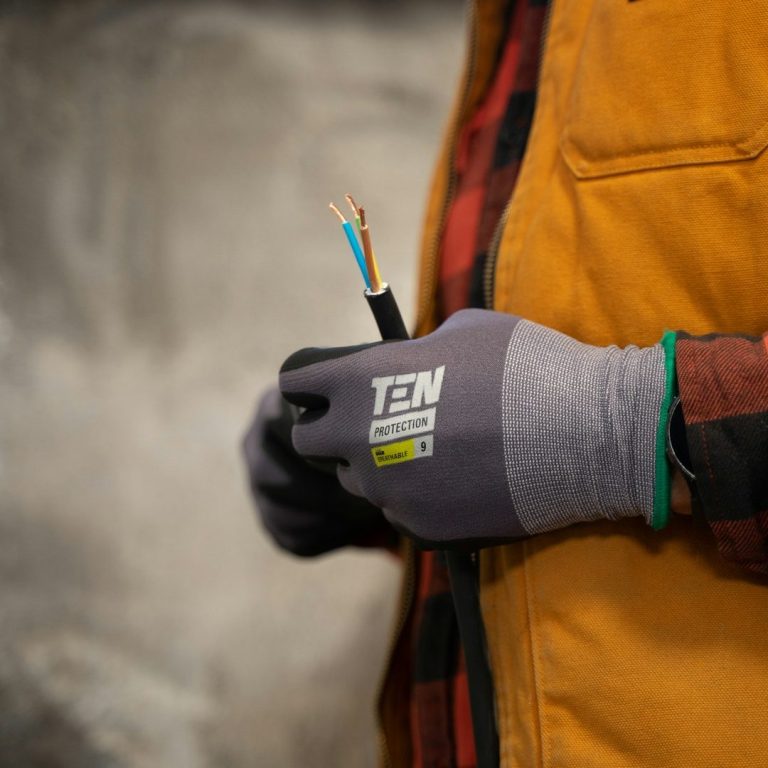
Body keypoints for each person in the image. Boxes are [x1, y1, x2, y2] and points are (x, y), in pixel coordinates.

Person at [244, 1, 768, 765]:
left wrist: (628, 426)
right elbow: (504, 448)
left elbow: (543, 429)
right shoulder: (516, 33)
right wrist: (376, 476)